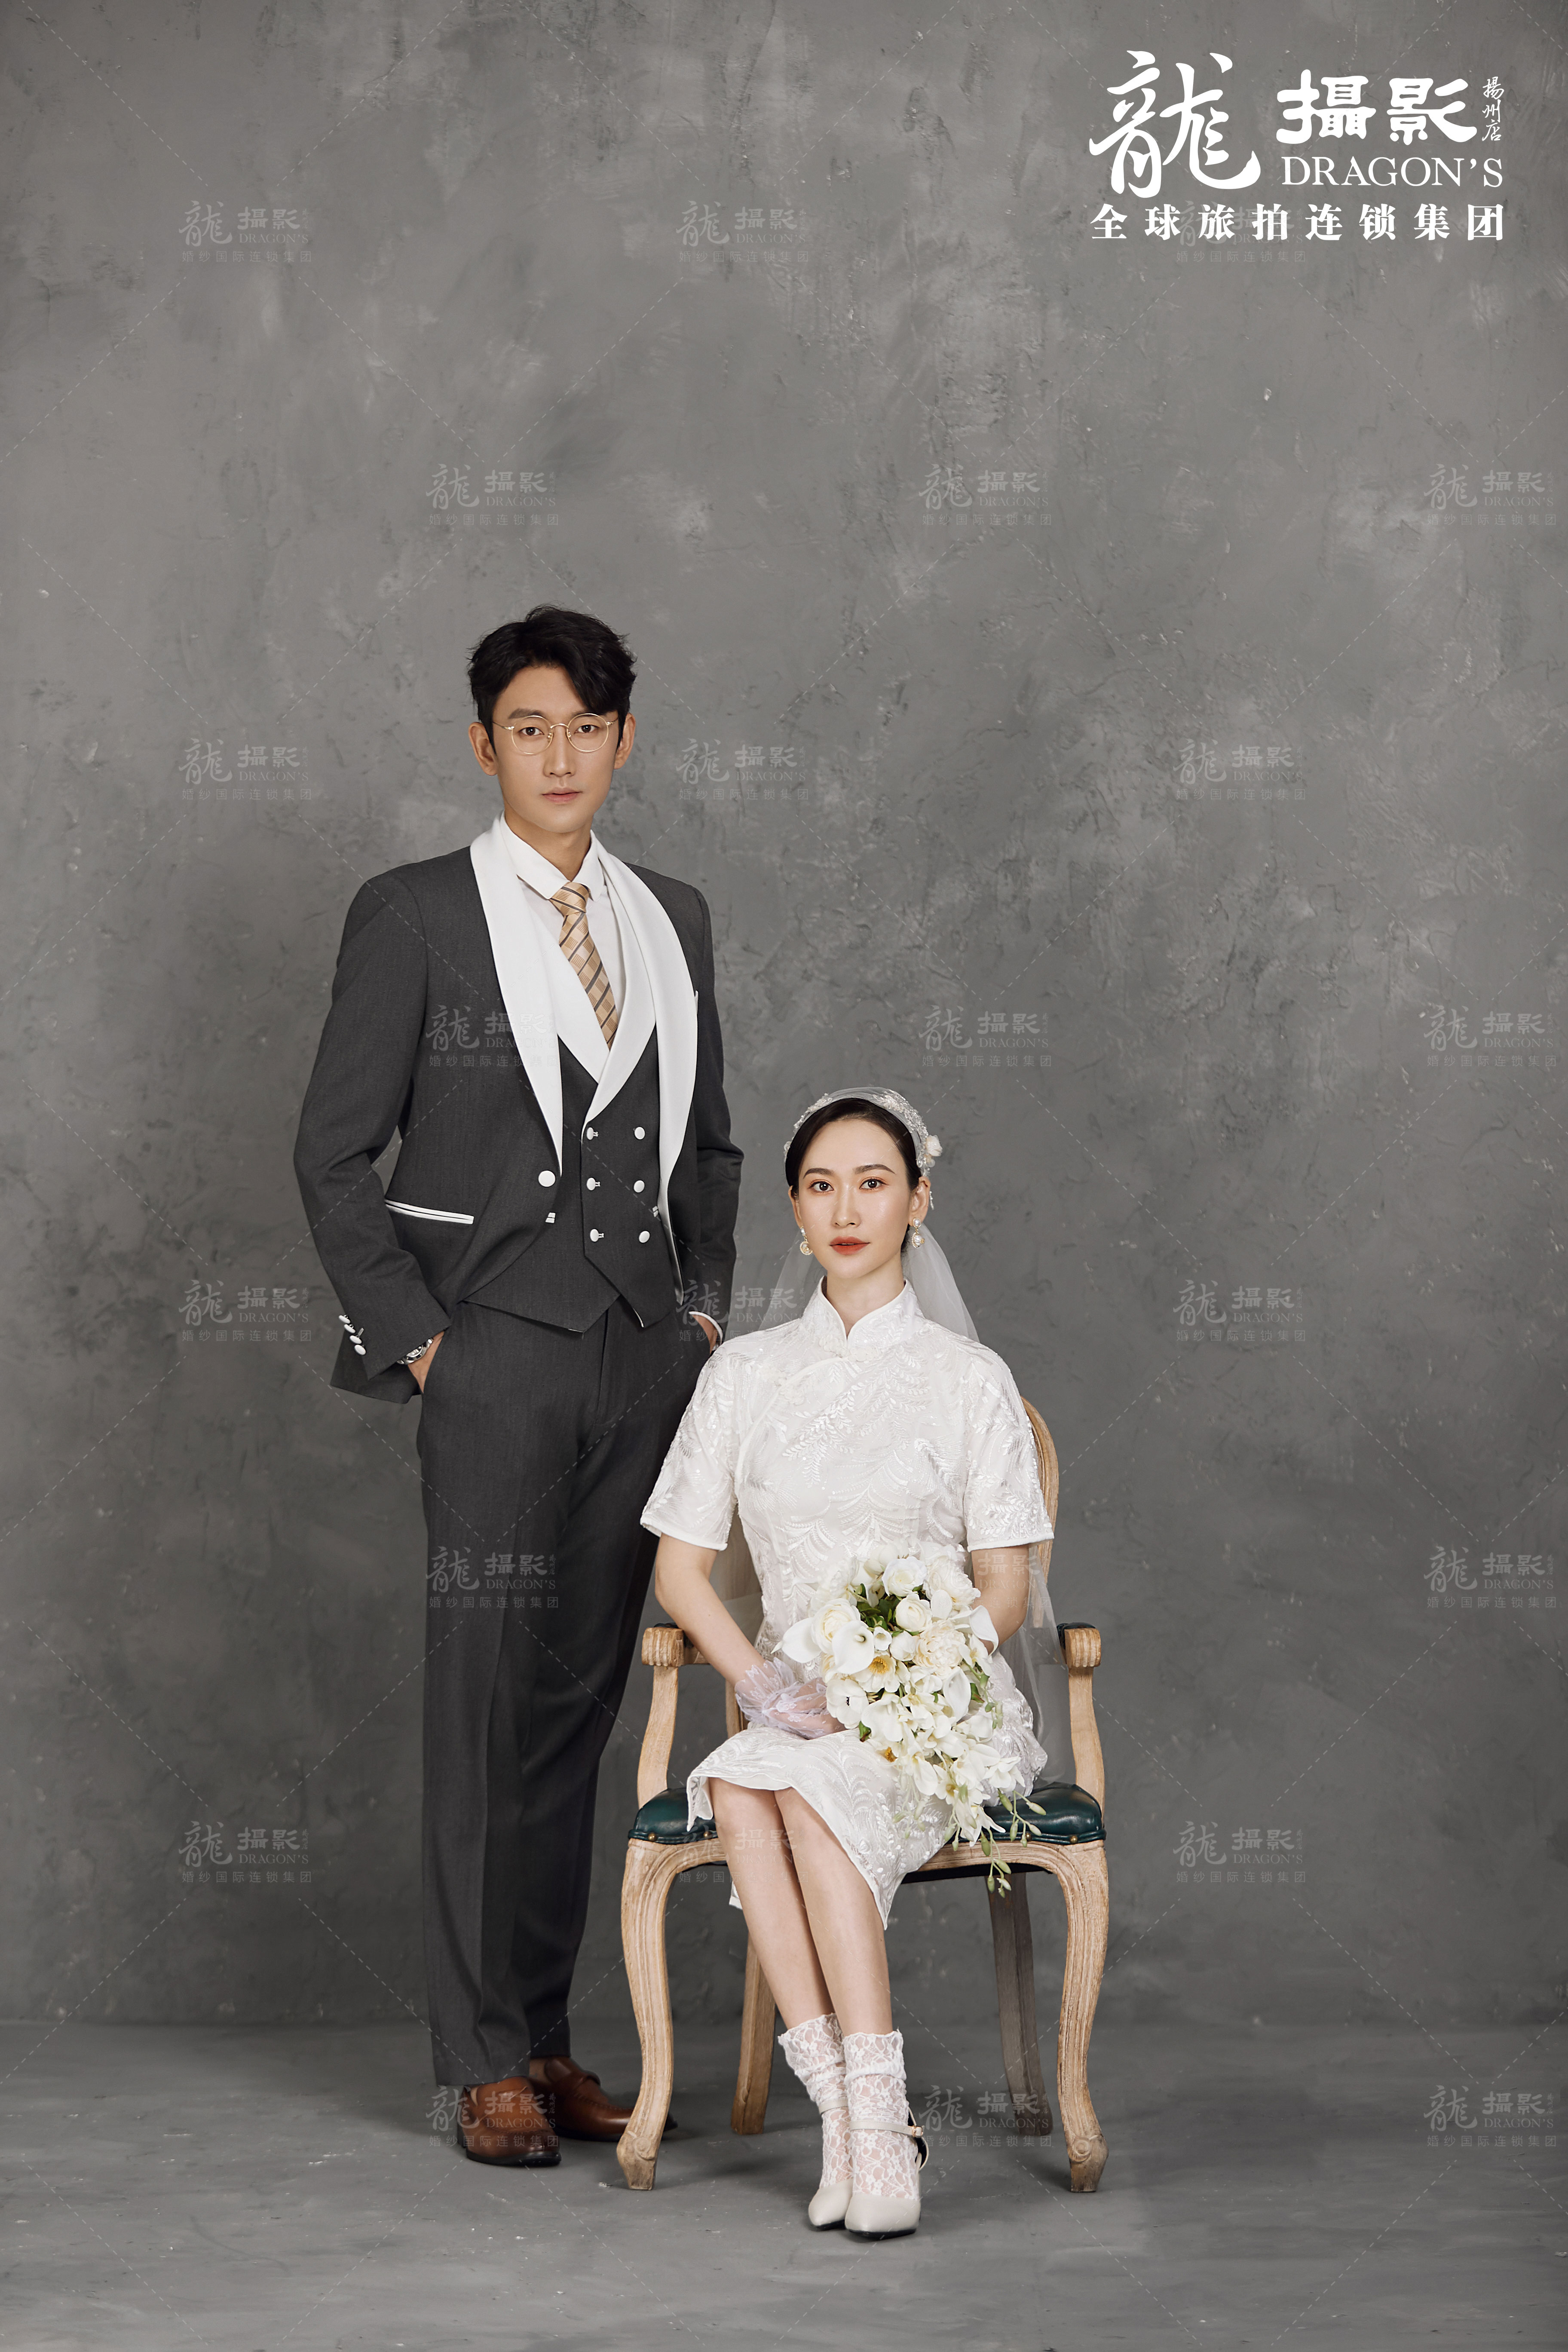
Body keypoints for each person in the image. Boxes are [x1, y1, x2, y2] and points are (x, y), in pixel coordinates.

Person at [293, 607, 741, 2165]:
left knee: (574, 1711)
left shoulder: (673, 917)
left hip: (643, 1360)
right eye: (530, 728)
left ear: (625, 742)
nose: (561, 756)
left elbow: (710, 1144)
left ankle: (544, 2039)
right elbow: (332, 1156)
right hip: (489, 1356)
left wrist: (700, 1315)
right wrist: (426, 1345)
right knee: (482, 1708)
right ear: (485, 744)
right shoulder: (415, 913)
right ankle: (477, 2058)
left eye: (587, 729)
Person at [640, 1087, 1050, 2237]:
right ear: (796, 1208)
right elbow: (680, 1574)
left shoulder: (969, 1379)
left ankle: (869, 2125)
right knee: (745, 1779)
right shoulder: (744, 1374)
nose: (847, 1210)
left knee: (798, 1793)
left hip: (935, 1710)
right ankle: (861, 2123)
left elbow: (1006, 1589)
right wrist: (767, 1686)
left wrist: (903, 1677)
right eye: (822, 1187)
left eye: (874, 1183)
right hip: (796, 1713)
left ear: (918, 1201)